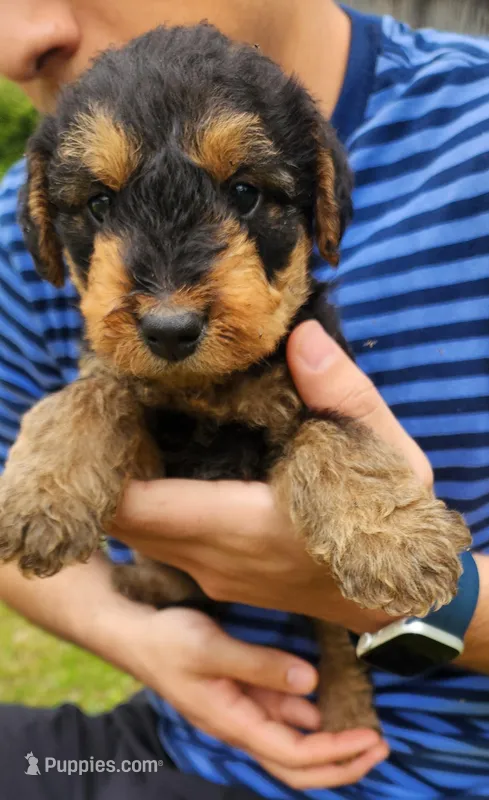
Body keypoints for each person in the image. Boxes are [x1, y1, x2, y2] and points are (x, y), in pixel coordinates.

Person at [0, 1, 488, 798]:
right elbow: (16, 527)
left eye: (246, 190)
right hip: (168, 745)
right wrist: (133, 636)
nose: (23, 36)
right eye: (97, 205)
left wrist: (437, 602)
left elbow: (317, 437)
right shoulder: (21, 213)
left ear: (322, 207)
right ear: (50, 225)